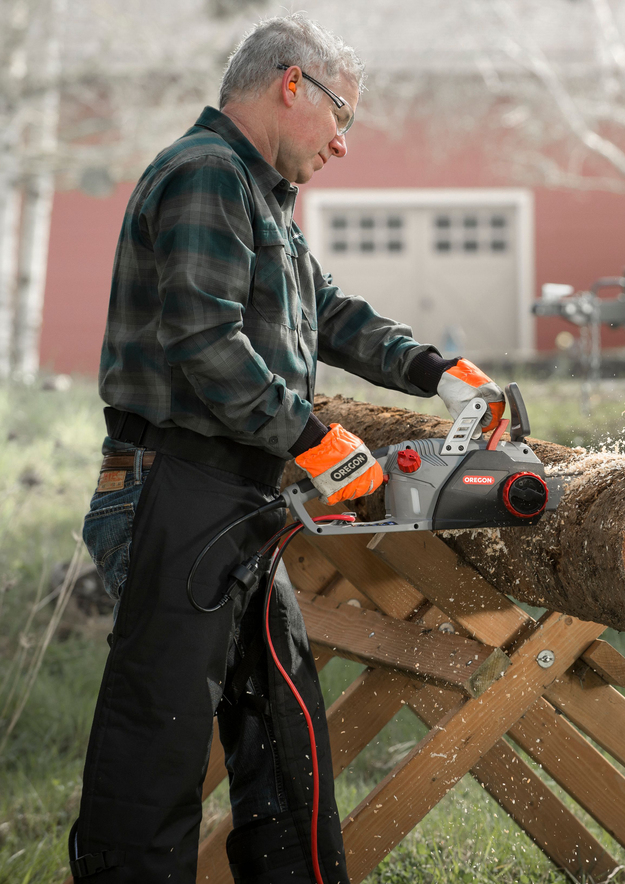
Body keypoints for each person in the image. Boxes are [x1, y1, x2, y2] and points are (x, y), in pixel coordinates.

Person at [69, 13, 504, 883]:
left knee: (285, 730)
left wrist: (435, 370)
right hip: (178, 486)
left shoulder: (258, 192)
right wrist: (311, 437)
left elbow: (327, 312)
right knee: (156, 743)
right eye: (342, 117)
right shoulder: (205, 175)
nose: (344, 143)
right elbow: (205, 342)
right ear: (291, 84)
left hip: (237, 498)